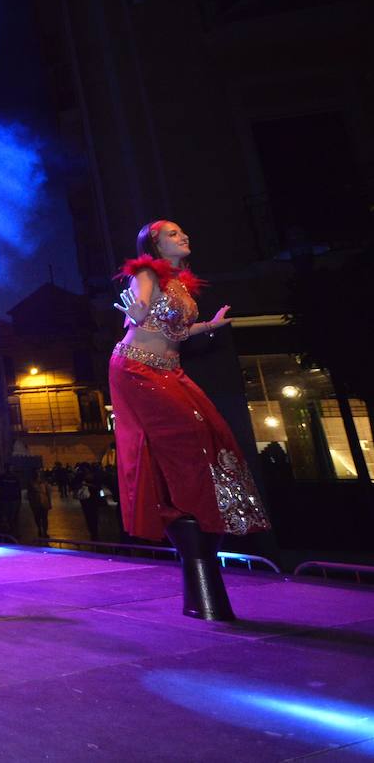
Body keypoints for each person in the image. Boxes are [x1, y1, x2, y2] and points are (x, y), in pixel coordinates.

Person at [110, 219, 270, 620]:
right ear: (155, 244)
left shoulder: (182, 283)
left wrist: (209, 327)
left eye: (184, 232)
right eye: (173, 234)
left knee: (212, 431)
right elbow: (142, 307)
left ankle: (201, 512)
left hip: (170, 368)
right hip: (137, 368)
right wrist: (137, 309)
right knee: (188, 435)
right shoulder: (147, 274)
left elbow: (176, 332)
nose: (184, 237)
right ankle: (182, 507)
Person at [0, 465, 23, 538]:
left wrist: (19, 500)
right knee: (8, 517)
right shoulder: (1, 477)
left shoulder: (15, 477)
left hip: (13, 500)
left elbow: (18, 489)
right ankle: (11, 533)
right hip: (6, 500)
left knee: (14, 517)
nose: (9, 469)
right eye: (7, 468)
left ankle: (14, 533)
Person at [27, 470, 52, 539]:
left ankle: (45, 531)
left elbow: (48, 493)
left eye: (38, 474)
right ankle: (39, 529)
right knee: (37, 518)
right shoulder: (31, 483)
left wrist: (49, 503)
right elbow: (29, 494)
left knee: (44, 518)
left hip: (44, 502)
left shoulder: (44, 483)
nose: (37, 475)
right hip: (35, 503)